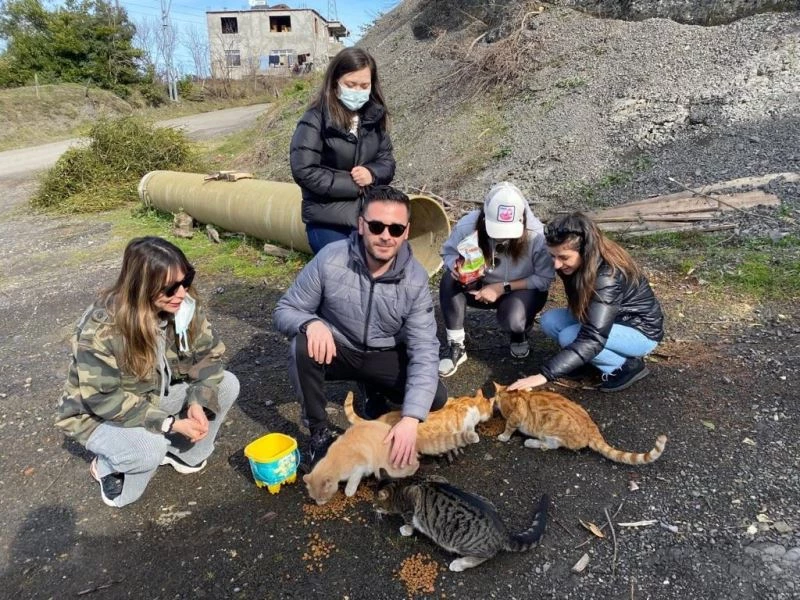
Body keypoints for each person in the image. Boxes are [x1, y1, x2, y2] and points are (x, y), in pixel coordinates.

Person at [55, 237, 240, 508]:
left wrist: (199, 402)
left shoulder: (183, 307)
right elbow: (104, 400)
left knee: (226, 385)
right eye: (170, 288)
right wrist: (170, 424)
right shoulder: (103, 328)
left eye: (186, 279)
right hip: (99, 415)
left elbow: (208, 357)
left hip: (153, 395)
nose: (182, 293)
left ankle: (183, 454)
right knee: (147, 452)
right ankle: (107, 466)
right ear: (142, 288)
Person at [273, 185, 448, 469]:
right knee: (302, 345)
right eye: (377, 226)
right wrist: (310, 322)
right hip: (339, 349)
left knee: (435, 397)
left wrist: (410, 418)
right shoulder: (331, 258)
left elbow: (425, 348)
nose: (385, 236)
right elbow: (285, 310)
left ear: (406, 231)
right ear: (361, 224)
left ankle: (372, 388)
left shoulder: (415, 279)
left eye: (395, 229)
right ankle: (319, 432)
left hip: (383, 354)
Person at [508, 212, 664, 393]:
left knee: (569, 336)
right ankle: (588, 360)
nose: (556, 264)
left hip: (640, 330)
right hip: (609, 320)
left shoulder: (606, 276)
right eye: (553, 256)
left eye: (564, 258)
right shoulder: (580, 262)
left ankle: (624, 366)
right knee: (550, 320)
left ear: (585, 250)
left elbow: (593, 337)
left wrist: (544, 375)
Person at [438, 182, 555, 377]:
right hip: (478, 285)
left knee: (514, 321)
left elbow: (543, 279)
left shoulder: (537, 236)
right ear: (484, 218)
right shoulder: (468, 225)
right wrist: (457, 268)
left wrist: (502, 287)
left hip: (519, 291)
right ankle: (455, 344)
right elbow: (448, 253)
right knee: (449, 280)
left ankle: (519, 334)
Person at [290, 47, 396, 254]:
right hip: (327, 219)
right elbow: (304, 170)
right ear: (335, 82)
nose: (357, 91)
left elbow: (387, 162)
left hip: (369, 217)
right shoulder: (315, 118)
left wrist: (372, 174)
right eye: (351, 84)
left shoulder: (373, 118)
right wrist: (354, 185)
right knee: (342, 273)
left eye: (364, 85)